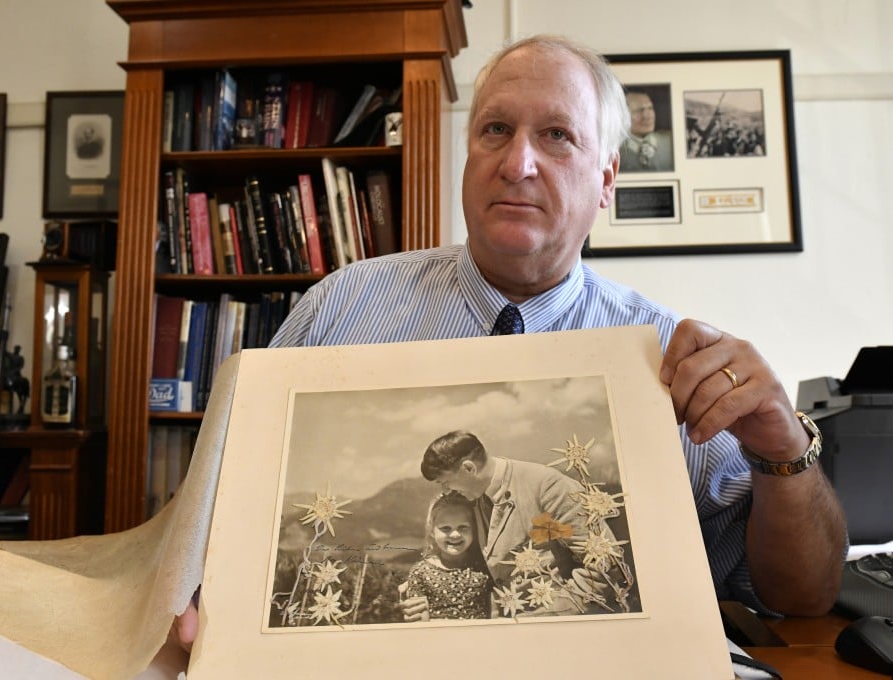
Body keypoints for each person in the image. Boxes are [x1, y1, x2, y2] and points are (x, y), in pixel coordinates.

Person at [174, 33, 846, 647]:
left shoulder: (673, 358)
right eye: (496, 129)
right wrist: (196, 595)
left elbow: (802, 597)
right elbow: (211, 518)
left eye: (557, 136)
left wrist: (784, 449)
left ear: (606, 180)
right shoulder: (340, 308)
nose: (517, 162)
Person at [402, 431, 624, 621]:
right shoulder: (474, 496)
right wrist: (423, 597)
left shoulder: (547, 487)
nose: (447, 490)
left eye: (445, 482)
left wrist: (546, 619)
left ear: (468, 468)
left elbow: (604, 566)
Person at [402, 490, 493, 620]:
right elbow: (419, 622)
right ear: (432, 531)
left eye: (463, 527)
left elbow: (494, 614)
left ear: (474, 529)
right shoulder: (421, 572)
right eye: (445, 528)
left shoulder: (485, 568)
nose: (455, 535)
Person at [619, 89, 673, 172]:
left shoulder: (670, 142)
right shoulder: (616, 151)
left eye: (650, 108)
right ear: (623, 116)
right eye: (640, 110)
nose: (648, 116)